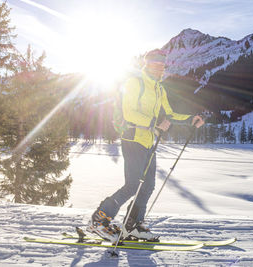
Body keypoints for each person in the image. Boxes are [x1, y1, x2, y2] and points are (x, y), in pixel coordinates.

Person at [88, 49, 205, 243]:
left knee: (148, 185)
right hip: (133, 138)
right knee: (133, 184)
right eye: (157, 64)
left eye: (163, 65)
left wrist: (190, 119)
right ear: (148, 64)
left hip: (149, 141)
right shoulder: (135, 83)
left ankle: (132, 225)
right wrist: (154, 122)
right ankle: (99, 219)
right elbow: (129, 113)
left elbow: (169, 114)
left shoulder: (160, 89)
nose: (161, 68)